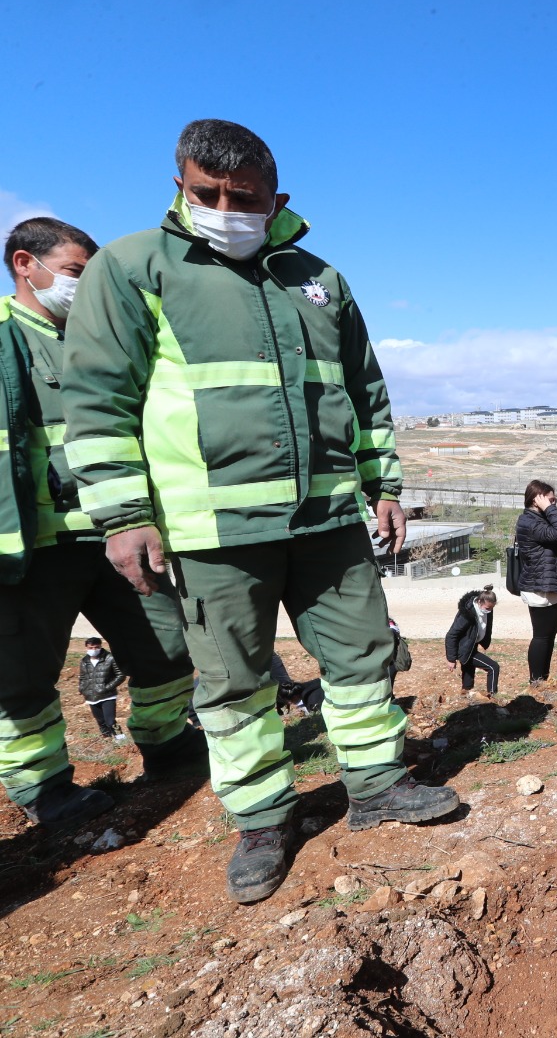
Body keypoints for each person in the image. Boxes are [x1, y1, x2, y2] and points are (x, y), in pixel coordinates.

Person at [61, 120, 457, 903]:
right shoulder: (134, 268)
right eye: (204, 193)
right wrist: (124, 515)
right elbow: (99, 401)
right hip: (212, 528)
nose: (222, 208)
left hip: (325, 521)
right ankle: (263, 821)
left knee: (361, 659)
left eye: (240, 198)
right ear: (180, 185)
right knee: (235, 685)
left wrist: (384, 485)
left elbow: (365, 393)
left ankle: (376, 785)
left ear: (275, 199)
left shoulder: (319, 279)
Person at [0, 217, 202, 831]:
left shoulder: (101, 336)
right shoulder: (9, 337)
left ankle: (167, 746)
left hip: (116, 533)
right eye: (73, 274)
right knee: (23, 678)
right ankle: (45, 791)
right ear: (23, 265)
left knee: (166, 646)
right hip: (35, 549)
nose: (84, 288)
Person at [515, 479, 557, 684]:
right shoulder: (530, 522)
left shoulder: (539, 520)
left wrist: (547, 509)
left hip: (549, 583)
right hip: (538, 586)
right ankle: (536, 680)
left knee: (549, 636)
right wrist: (549, 509)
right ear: (536, 499)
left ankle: (543, 678)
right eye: (550, 500)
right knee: (541, 636)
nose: (554, 504)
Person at [446, 585, 499, 697]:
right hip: (464, 648)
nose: (489, 611)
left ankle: (466, 693)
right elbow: (451, 635)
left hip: (471, 645)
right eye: (487, 608)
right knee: (493, 667)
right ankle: (493, 696)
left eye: (491, 608)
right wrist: (451, 658)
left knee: (468, 670)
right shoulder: (467, 615)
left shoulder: (486, 609)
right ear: (479, 602)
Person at [77, 638, 126, 742]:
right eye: (91, 648)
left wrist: (106, 687)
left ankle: (121, 740)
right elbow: (82, 677)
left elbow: (120, 675)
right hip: (91, 696)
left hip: (107, 696)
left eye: (96, 647)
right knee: (100, 721)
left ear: (100, 646)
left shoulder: (110, 658)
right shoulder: (84, 661)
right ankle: (107, 740)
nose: (94, 649)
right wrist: (82, 688)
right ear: (86, 647)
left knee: (110, 721)